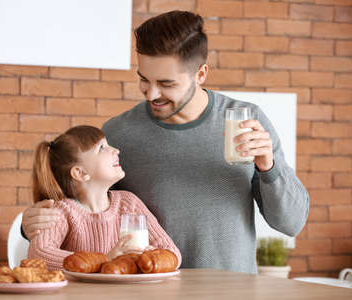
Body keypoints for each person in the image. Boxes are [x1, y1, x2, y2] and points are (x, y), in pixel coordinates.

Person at [22, 10, 309, 274]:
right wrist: (31, 225)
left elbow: (291, 223)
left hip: (231, 289)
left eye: (167, 84)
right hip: (150, 291)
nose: (150, 94)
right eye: (144, 79)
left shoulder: (245, 123)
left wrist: (268, 166)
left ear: (201, 74)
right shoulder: (119, 133)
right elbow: (84, 211)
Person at [27, 125, 181, 270]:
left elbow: (172, 252)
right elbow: (39, 254)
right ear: (80, 173)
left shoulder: (129, 203)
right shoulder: (62, 212)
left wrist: (153, 257)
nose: (116, 150)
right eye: (102, 148)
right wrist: (104, 259)